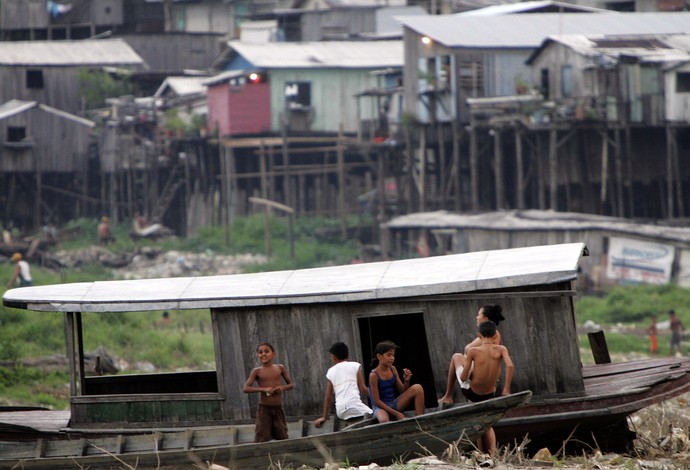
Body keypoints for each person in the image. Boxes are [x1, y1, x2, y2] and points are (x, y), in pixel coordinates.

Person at [458, 321, 514, 455]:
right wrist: (506, 389)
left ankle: (481, 451)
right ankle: (492, 453)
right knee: (485, 422)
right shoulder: (501, 349)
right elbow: (510, 366)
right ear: (495, 335)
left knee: (456, 358)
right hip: (489, 393)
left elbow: (463, 378)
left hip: (472, 393)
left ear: (479, 335)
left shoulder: (473, 350)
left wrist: (469, 369)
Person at [439, 304, 505, 404]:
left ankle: (448, 396)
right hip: (488, 387)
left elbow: (468, 349)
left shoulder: (490, 336)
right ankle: (449, 396)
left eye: (479, 315)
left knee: (456, 357)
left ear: (485, 318)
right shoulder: (494, 335)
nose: (476, 317)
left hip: (479, 386)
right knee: (462, 357)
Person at [243, 342, 294, 442]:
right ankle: (261, 455)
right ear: (258, 355)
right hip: (264, 409)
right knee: (262, 436)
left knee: (282, 435)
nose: (263, 354)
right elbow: (246, 388)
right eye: (260, 352)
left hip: (278, 409)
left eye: (267, 351)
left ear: (273, 354)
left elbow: (291, 385)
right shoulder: (257, 371)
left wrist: (281, 388)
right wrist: (263, 389)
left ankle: (282, 456)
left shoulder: (280, 368)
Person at [314, 342, 372, 428]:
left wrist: (324, 417)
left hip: (340, 411)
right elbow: (363, 389)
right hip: (355, 407)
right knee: (375, 414)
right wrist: (378, 401)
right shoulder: (355, 366)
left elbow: (328, 397)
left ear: (334, 357)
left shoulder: (331, 371)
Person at [368, 341, 424, 423]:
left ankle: (421, 421)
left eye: (393, 355)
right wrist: (396, 414)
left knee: (418, 388)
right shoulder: (374, 375)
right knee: (384, 420)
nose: (392, 358)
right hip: (380, 407)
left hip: (393, 403)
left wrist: (406, 381)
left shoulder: (392, 369)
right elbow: (376, 401)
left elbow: (402, 391)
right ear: (379, 356)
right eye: (388, 355)